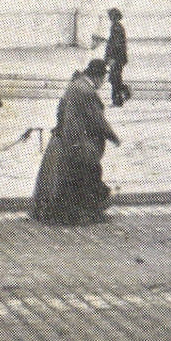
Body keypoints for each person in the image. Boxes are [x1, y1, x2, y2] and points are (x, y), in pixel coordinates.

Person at [31, 59, 120, 225]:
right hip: (81, 143)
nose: (103, 83)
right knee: (90, 175)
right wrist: (113, 136)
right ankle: (91, 212)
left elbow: (61, 110)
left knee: (76, 178)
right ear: (97, 77)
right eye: (103, 79)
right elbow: (97, 120)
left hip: (68, 141)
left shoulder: (74, 85)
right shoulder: (87, 92)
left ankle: (73, 213)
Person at [104, 8, 130, 107]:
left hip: (116, 58)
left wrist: (111, 57)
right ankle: (120, 98)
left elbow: (115, 45)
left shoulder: (116, 27)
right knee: (115, 79)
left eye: (110, 16)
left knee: (115, 79)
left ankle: (120, 98)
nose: (109, 18)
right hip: (118, 58)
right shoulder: (117, 27)